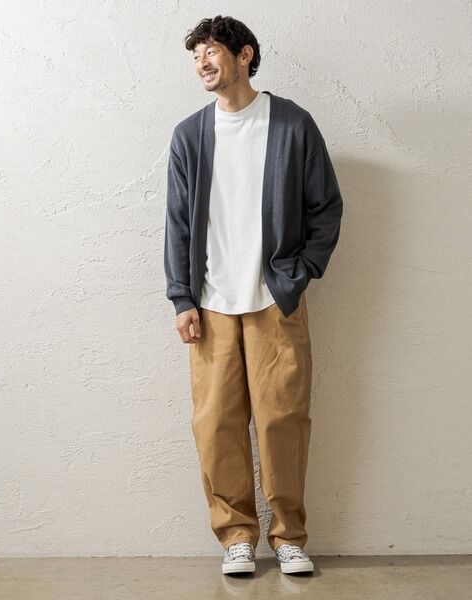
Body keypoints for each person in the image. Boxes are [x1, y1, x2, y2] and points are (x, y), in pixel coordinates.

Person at [163, 15, 343, 575]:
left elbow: (326, 206)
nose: (202, 62)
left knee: (283, 420)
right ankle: (237, 536)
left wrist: (300, 273)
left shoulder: (291, 124)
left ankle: (289, 537)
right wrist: (181, 298)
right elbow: (177, 224)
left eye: (212, 51)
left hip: (274, 301)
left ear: (244, 55)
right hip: (210, 305)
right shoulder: (189, 135)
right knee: (215, 424)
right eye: (196, 55)